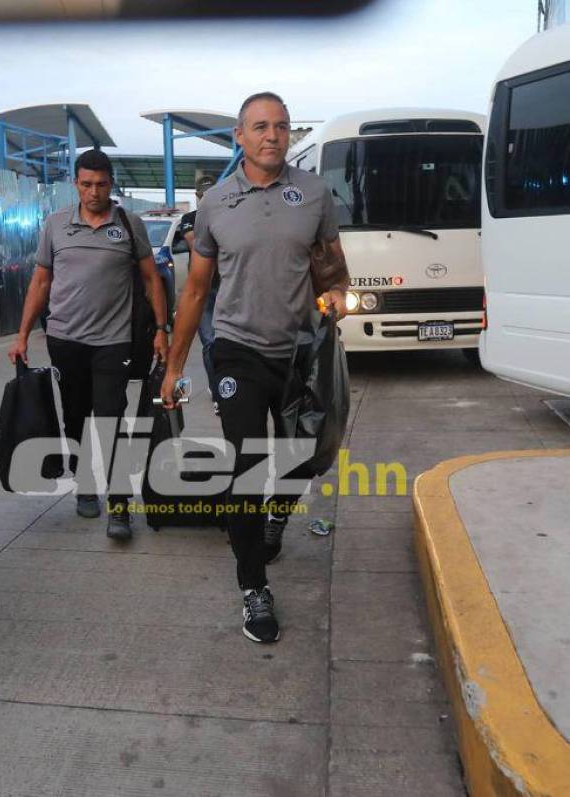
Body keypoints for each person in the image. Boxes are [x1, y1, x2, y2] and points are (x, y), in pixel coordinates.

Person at [161, 92, 349, 643]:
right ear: (239, 137)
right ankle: (253, 587)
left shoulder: (313, 194)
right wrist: (174, 367)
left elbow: (334, 272)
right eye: (260, 126)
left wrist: (336, 297)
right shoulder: (217, 204)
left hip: (297, 352)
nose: (273, 135)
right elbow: (196, 291)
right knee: (245, 466)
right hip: (237, 351)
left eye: (282, 126)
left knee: (298, 458)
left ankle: (277, 517)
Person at [9, 149, 170, 540]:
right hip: (65, 340)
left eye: (100, 184)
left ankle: (119, 507)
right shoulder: (56, 225)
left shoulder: (129, 225)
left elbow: (151, 280)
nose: (93, 192)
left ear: (110, 184)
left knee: (111, 421)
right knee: (76, 418)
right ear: (76, 184)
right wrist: (23, 333)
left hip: (114, 342)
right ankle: (85, 485)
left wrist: (162, 329)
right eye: (85, 184)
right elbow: (41, 282)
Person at [176, 173, 220, 412]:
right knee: (209, 341)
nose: (207, 200)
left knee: (228, 342)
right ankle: (217, 392)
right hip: (202, 289)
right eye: (203, 196)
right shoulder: (189, 219)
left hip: (226, 287)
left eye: (212, 195)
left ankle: (225, 386)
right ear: (197, 197)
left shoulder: (227, 216)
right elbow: (197, 244)